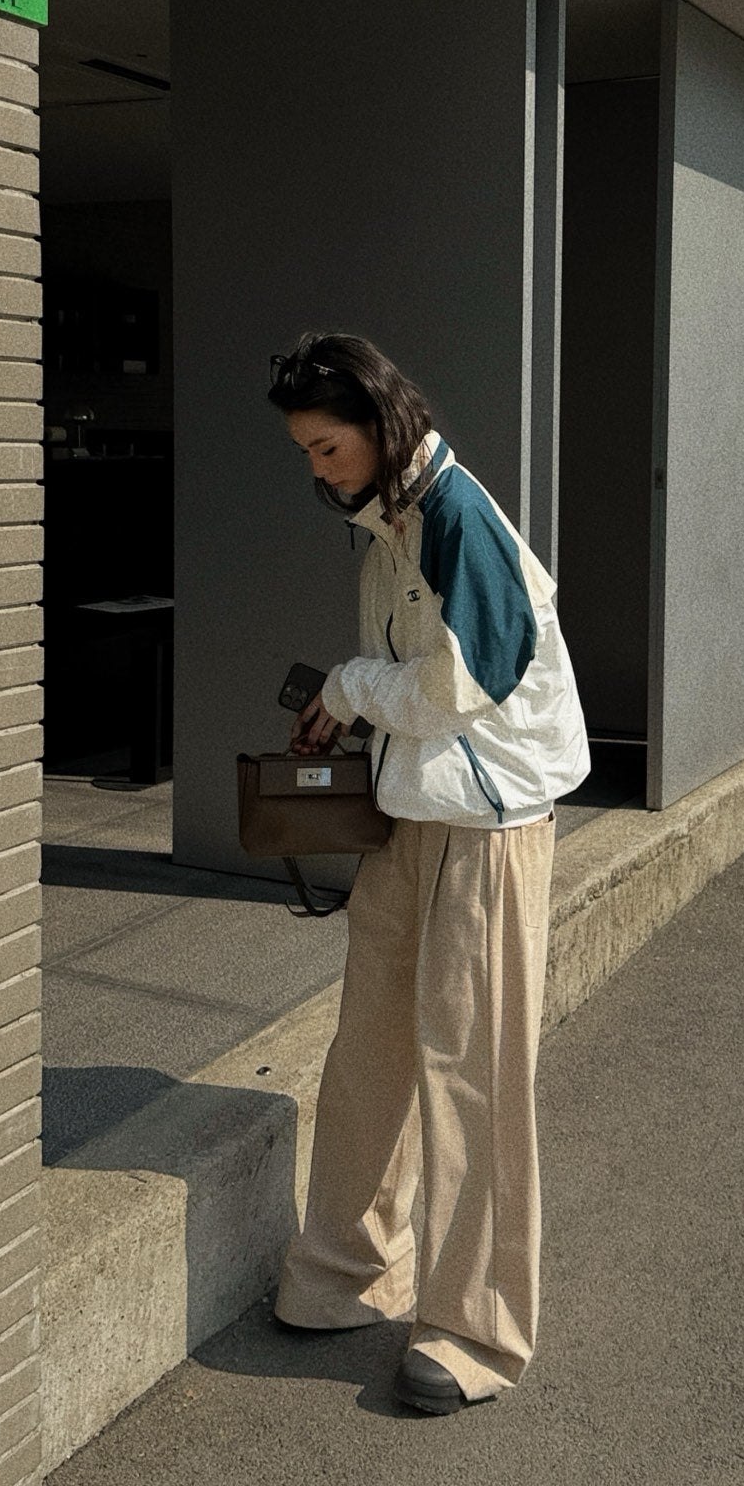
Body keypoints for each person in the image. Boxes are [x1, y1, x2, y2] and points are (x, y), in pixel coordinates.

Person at [266, 332, 591, 1415]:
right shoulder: (390, 526)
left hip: (490, 831)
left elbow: (466, 686)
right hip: (413, 820)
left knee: (473, 1074)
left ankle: (475, 1332)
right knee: (369, 1051)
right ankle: (349, 1270)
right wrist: (348, 705)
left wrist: (351, 687)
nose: (319, 469)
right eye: (307, 452)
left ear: (380, 422)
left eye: (328, 446)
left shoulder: (456, 515)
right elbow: (415, 683)